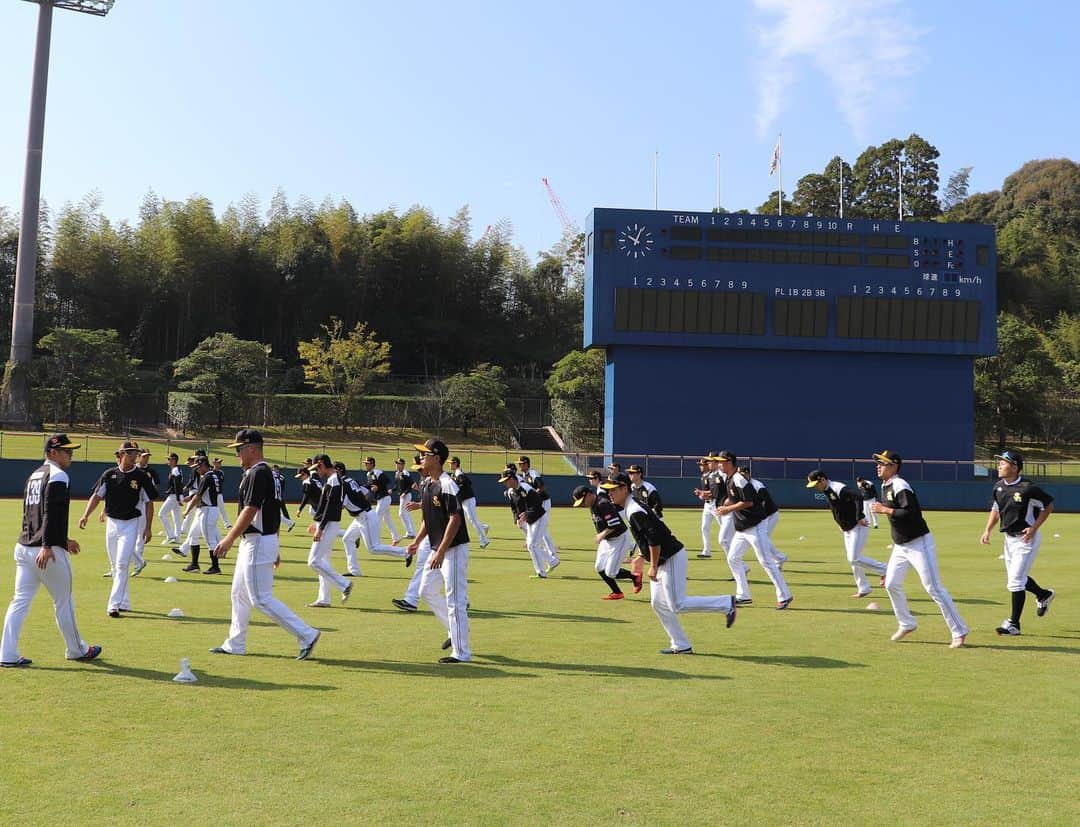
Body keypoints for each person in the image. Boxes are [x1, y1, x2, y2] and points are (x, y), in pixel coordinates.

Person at [210, 429, 321, 660]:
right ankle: (235, 644)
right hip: (258, 540)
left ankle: (306, 634)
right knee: (238, 594)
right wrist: (276, 545)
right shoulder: (259, 472)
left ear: (251, 448)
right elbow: (272, 510)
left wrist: (228, 539)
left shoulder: (258, 473)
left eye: (240, 449)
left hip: (258, 541)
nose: (238, 455)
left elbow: (251, 510)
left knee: (260, 598)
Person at [602, 473, 736, 653]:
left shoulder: (634, 510)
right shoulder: (631, 507)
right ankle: (681, 644)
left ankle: (726, 603)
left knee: (677, 604)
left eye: (613, 490)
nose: (610, 494)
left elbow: (654, 540)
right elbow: (653, 535)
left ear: (624, 489)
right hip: (664, 558)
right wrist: (642, 556)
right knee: (658, 603)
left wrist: (653, 566)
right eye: (608, 490)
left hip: (671, 557)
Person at [1, 434, 102, 667]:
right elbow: (50, 513)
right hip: (45, 551)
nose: (71, 455)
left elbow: (33, 515)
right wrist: (48, 545)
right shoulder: (58, 476)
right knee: (63, 602)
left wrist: (62, 538)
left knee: (20, 601)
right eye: (66, 451)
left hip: (24, 546)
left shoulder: (35, 474)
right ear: (52, 452)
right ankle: (77, 650)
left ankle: (6, 654)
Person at [872, 450, 968, 648]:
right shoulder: (885, 484)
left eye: (883, 463)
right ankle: (907, 623)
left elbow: (912, 513)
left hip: (919, 543)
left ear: (894, 466)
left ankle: (959, 630)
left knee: (933, 587)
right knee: (891, 584)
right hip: (901, 546)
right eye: (878, 463)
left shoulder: (900, 485)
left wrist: (886, 510)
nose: (878, 466)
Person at [406, 438, 471, 663]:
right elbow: (428, 517)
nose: (421, 457)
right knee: (426, 591)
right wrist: (416, 541)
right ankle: (455, 632)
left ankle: (462, 653)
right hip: (437, 549)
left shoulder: (447, 484)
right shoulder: (427, 484)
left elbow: (455, 519)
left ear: (437, 458)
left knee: (455, 600)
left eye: (425, 454)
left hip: (452, 549)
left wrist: (442, 550)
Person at [979, 450, 1056, 635]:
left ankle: (1014, 624)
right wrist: (987, 530)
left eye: (1003, 463)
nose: (999, 465)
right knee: (1016, 578)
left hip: (1025, 538)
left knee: (1015, 582)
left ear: (1014, 467)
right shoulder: (998, 486)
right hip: (1009, 540)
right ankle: (1043, 594)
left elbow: (1049, 506)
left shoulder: (1028, 488)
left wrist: (1034, 527)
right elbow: (996, 509)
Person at [79, 440, 157, 618]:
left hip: (130, 523)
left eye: (135, 453)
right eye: (130, 453)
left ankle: (113, 605)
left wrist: (148, 528)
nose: (134, 456)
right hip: (112, 523)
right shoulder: (109, 474)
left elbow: (149, 503)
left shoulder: (141, 476)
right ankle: (125, 602)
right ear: (121, 454)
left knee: (122, 564)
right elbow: (97, 496)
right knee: (115, 565)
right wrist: (86, 515)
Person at [715, 451, 792, 609]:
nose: (719, 464)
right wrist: (727, 504)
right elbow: (735, 497)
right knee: (733, 558)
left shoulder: (738, 478)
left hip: (755, 525)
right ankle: (743, 595)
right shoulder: (729, 478)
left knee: (766, 562)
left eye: (721, 461)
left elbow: (748, 501)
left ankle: (785, 595)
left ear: (730, 462)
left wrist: (727, 509)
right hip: (743, 528)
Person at [805, 470, 888, 597]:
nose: (816, 487)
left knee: (853, 558)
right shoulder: (826, 490)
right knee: (854, 560)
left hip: (858, 525)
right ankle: (864, 588)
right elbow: (837, 509)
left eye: (816, 484)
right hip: (847, 528)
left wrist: (859, 515)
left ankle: (885, 569)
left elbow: (858, 497)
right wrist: (841, 524)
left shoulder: (838, 488)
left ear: (822, 480)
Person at [572, 484, 641, 599]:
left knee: (611, 573)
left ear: (588, 495)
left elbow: (614, 524)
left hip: (619, 539)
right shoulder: (592, 504)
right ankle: (617, 593)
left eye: (582, 501)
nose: (582, 504)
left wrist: (601, 535)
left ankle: (635, 576)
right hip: (607, 540)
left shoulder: (602, 504)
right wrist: (602, 536)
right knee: (599, 567)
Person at [304, 455, 354, 608]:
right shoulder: (333, 479)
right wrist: (317, 521)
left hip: (330, 525)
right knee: (323, 561)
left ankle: (344, 584)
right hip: (328, 523)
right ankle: (324, 599)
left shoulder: (333, 480)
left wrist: (321, 527)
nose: (316, 472)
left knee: (313, 561)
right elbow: (326, 505)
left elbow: (330, 507)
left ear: (321, 464)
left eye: (317, 468)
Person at [499, 470, 553, 577]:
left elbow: (537, 504)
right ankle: (552, 561)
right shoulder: (511, 492)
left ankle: (541, 572)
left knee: (532, 545)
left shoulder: (526, 488)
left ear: (512, 479)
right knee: (531, 545)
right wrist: (517, 519)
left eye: (506, 481)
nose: (504, 484)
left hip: (539, 517)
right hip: (530, 519)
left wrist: (526, 514)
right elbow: (514, 508)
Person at [739, 466, 788, 569]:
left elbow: (766, 504)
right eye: (740, 475)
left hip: (770, 514)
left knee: (763, 539)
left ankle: (779, 558)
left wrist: (760, 518)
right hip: (762, 515)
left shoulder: (757, 485)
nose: (742, 477)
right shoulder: (742, 485)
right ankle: (780, 557)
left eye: (743, 474)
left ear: (748, 474)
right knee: (763, 539)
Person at [180, 455, 222, 575]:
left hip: (208, 510)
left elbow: (198, 496)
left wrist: (187, 511)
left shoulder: (207, 476)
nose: (196, 470)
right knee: (193, 536)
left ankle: (215, 567)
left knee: (210, 540)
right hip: (206, 509)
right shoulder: (213, 475)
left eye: (198, 467)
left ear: (204, 465)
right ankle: (194, 564)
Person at [449, 456, 489, 548]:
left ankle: (484, 540)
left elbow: (466, 483)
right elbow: (467, 482)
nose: (450, 465)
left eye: (451, 463)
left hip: (468, 500)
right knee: (471, 520)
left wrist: (456, 484)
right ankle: (484, 527)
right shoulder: (456, 474)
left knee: (473, 520)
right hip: (465, 500)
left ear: (455, 463)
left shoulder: (459, 473)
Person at [365, 456, 401, 544]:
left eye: (367, 463)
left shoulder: (377, 472)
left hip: (384, 498)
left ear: (372, 464)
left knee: (377, 518)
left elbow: (387, 481)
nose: (366, 465)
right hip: (380, 499)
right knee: (387, 520)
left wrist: (378, 486)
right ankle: (396, 537)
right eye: (365, 463)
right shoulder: (368, 474)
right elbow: (370, 485)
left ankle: (375, 540)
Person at [693, 455, 720, 559]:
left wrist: (702, 493)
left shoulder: (714, 476)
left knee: (724, 528)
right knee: (704, 527)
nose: (700, 466)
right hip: (707, 505)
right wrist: (701, 495)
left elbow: (714, 492)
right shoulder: (704, 476)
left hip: (716, 504)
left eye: (702, 464)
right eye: (700, 465)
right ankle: (706, 550)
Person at [158, 452, 183, 545]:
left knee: (161, 514)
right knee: (176, 518)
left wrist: (177, 498)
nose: (168, 461)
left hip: (174, 496)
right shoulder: (177, 469)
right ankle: (177, 539)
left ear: (174, 460)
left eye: (169, 459)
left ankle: (171, 536)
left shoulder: (175, 470)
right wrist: (179, 496)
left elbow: (177, 484)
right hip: (177, 495)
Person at [393, 458, 417, 539]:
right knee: (405, 513)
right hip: (402, 496)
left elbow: (411, 484)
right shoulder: (397, 473)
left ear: (402, 465)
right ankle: (411, 532)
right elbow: (397, 485)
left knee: (402, 513)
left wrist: (405, 493)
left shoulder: (405, 473)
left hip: (406, 495)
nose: (396, 465)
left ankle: (410, 532)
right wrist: (392, 490)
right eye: (396, 463)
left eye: (398, 463)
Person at [271, 465, 296, 531]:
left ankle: (289, 523)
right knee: (276, 513)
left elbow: (281, 487)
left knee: (278, 512)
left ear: (278, 470)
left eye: (276, 469)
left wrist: (280, 496)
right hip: (276, 497)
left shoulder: (281, 477)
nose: (274, 471)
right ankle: (290, 523)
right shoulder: (272, 477)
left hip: (278, 497)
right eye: (273, 470)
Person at [212, 457, 233, 531]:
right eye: (218, 462)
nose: (220, 464)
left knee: (222, 509)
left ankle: (227, 524)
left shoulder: (221, 473)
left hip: (219, 494)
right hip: (212, 495)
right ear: (214, 463)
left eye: (220, 462)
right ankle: (212, 524)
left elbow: (222, 483)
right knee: (213, 510)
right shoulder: (211, 472)